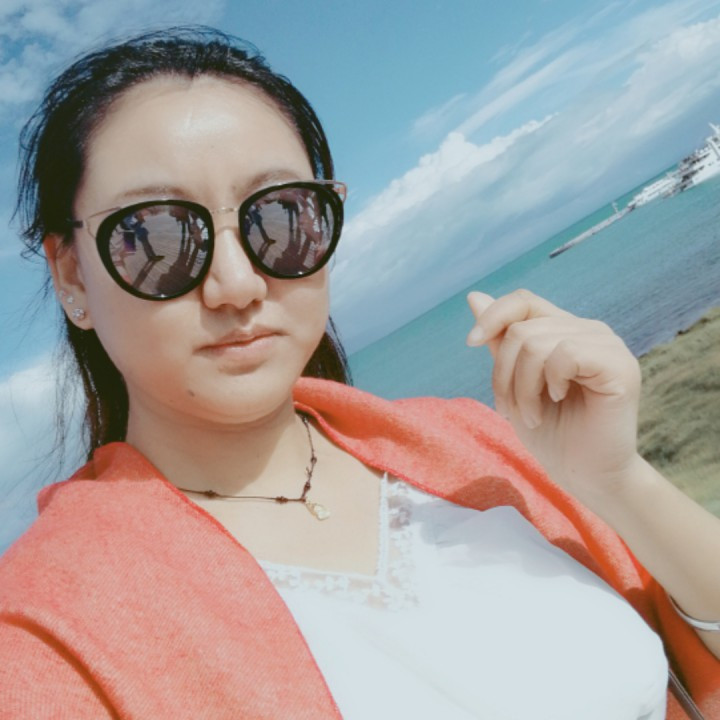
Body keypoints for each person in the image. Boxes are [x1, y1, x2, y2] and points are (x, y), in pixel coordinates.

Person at [0, 26, 718, 720]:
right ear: (72, 276)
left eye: (280, 218)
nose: (236, 284)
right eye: (155, 237)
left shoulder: (470, 443)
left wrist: (616, 481)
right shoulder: (46, 634)